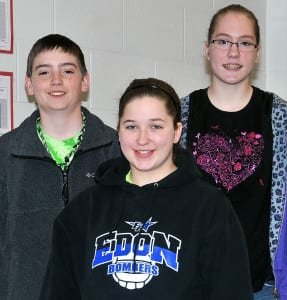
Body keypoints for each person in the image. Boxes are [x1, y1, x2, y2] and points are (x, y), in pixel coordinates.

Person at [39, 77, 252, 299]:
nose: (142, 139)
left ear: (176, 132)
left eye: (155, 126)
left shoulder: (210, 209)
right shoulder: (83, 210)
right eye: (131, 126)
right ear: (118, 131)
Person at [0, 34, 121, 300]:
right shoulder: (5, 153)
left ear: (85, 81)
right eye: (44, 72)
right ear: (29, 85)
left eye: (68, 70)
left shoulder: (118, 150)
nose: (56, 80)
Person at [180, 4, 287, 299]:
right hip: (192, 284)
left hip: (262, 288)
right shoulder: (179, 115)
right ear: (207, 49)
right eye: (223, 41)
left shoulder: (279, 117)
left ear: (257, 51)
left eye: (245, 43)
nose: (233, 52)